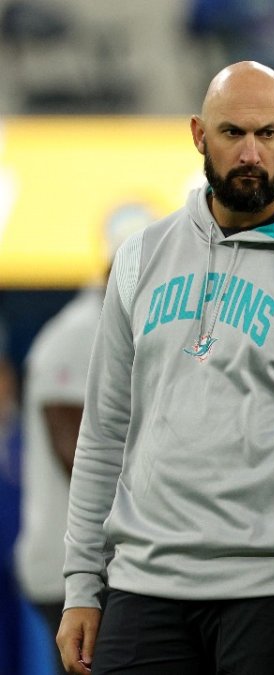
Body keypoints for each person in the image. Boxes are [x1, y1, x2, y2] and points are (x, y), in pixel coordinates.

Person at [56, 61, 274, 675]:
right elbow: (102, 433)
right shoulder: (141, 258)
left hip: (269, 596)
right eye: (232, 133)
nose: (252, 153)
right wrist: (81, 584)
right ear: (198, 134)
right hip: (141, 588)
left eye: (269, 134)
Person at [14, 204, 153, 672]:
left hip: (108, 563)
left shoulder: (134, 327)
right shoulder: (76, 333)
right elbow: (72, 449)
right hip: (73, 563)